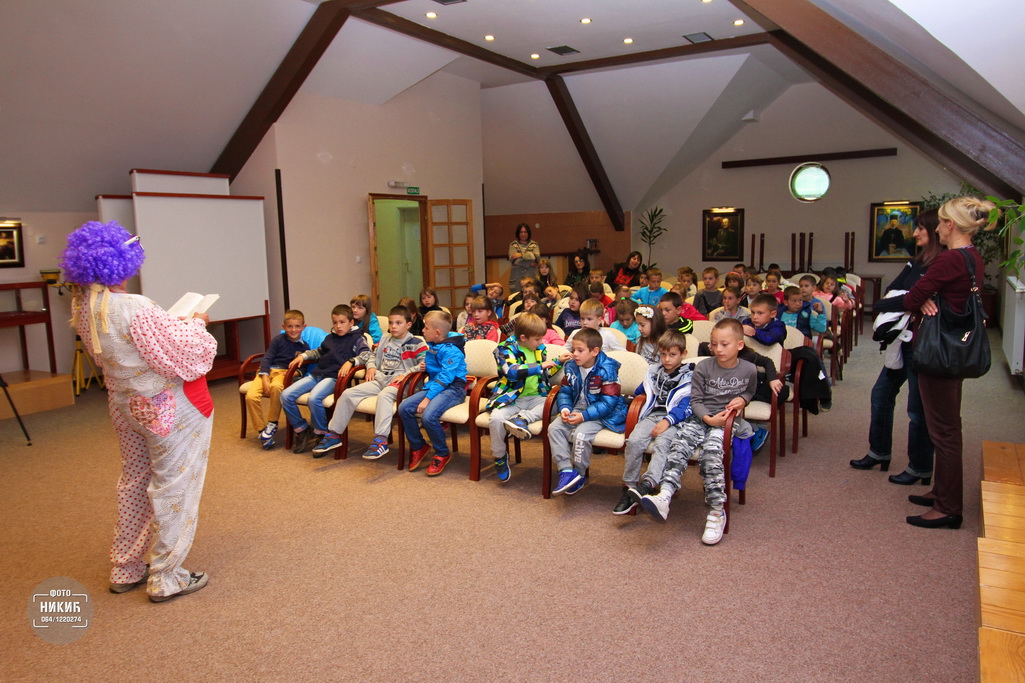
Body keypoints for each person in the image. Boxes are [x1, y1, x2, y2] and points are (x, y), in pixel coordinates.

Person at [62, 220, 217, 602]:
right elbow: (183, 355)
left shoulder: (84, 306)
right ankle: (167, 577)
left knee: (134, 481)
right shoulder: (134, 306)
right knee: (174, 486)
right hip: (165, 408)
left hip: (125, 406)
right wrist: (197, 325)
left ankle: (126, 566)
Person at [901, 197, 995, 529]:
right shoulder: (972, 256)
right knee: (947, 425)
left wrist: (924, 298)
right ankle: (941, 491)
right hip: (955, 350)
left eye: (941, 222)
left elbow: (911, 297)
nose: (937, 228)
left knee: (944, 431)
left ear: (950, 225)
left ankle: (948, 507)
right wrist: (930, 297)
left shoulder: (950, 259)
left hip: (940, 352)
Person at [639, 319, 757, 545]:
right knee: (679, 446)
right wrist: (707, 418)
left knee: (711, 454)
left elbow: (750, 391)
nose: (718, 349)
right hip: (701, 417)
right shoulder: (703, 367)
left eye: (724, 344)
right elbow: (696, 401)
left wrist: (743, 399)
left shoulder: (749, 369)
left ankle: (716, 511)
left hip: (726, 422)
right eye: (714, 344)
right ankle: (665, 494)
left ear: (740, 345)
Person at [850, 209, 942, 483]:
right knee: (880, 396)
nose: (914, 233)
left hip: (922, 343)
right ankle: (879, 452)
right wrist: (913, 300)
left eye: (920, 228)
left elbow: (929, 303)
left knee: (917, 408)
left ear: (935, 230)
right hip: (900, 341)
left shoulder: (942, 264)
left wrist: (909, 299)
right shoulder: (916, 262)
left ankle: (920, 467)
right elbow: (883, 300)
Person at [312, 306, 428, 459]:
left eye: (398, 323)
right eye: (391, 323)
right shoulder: (385, 339)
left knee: (385, 395)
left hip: (403, 384)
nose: (393, 326)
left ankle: (380, 440)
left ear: (408, 324)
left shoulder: (417, 343)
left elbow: (424, 364)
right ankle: (334, 434)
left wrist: (405, 375)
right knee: (348, 394)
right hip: (382, 379)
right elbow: (371, 355)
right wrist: (371, 367)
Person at [614, 330, 693, 515]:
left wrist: (668, 420)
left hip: (675, 420)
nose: (667, 359)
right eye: (663, 354)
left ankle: (648, 484)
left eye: (672, 355)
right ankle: (629, 487)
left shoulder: (689, 376)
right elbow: (641, 390)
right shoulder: (654, 371)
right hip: (652, 415)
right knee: (634, 441)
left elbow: (686, 406)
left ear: (683, 354)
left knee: (662, 444)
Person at [486, 312, 570, 482]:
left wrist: (558, 362)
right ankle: (500, 456)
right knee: (496, 419)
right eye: (537, 339)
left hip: (535, 397)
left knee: (556, 403)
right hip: (511, 398)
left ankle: (522, 419)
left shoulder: (539, 348)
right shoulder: (504, 348)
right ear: (523, 337)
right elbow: (511, 371)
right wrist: (540, 366)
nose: (541, 342)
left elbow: (544, 373)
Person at [283, 304, 372, 454]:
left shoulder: (357, 338)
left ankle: (321, 433)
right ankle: (303, 429)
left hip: (333, 378)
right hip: (317, 375)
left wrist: (351, 361)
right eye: (335, 322)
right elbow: (318, 352)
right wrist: (303, 356)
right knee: (285, 395)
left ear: (351, 322)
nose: (338, 326)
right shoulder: (330, 338)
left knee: (314, 398)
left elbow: (367, 354)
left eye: (342, 322)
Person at [549, 327, 627, 496]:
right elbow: (565, 391)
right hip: (578, 407)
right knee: (554, 428)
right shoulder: (571, 365)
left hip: (603, 413)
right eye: (573, 350)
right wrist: (565, 408)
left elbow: (609, 402)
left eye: (580, 350)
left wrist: (583, 416)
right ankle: (566, 471)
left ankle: (579, 473)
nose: (574, 354)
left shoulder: (607, 368)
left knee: (581, 435)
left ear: (594, 351)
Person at [398, 310, 468, 476]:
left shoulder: (452, 350)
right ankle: (419, 446)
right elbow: (436, 368)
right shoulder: (435, 344)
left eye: (425, 328)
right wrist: (426, 366)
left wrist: (428, 398)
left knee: (428, 416)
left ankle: (442, 453)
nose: (422, 330)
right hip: (436, 386)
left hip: (453, 389)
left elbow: (446, 377)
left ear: (437, 332)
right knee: (404, 408)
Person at [248, 309, 310, 450]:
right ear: (284, 327)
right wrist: (264, 377)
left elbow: (302, 369)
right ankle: (262, 431)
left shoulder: (304, 347)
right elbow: (267, 358)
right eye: (289, 326)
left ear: (303, 327)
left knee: (276, 387)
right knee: (251, 396)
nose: (293, 330)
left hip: (284, 373)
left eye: (297, 326)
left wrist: (290, 374)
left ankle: (272, 422)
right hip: (266, 372)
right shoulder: (277, 340)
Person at [508, 223, 541, 293]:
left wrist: (521, 255)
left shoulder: (534, 245)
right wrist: (529, 263)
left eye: (525, 232)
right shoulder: (513, 245)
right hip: (516, 280)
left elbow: (536, 258)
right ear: (518, 233)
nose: (523, 234)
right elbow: (514, 260)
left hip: (531, 279)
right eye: (521, 232)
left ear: (528, 233)